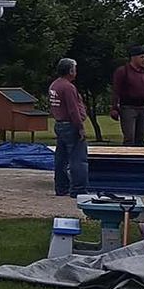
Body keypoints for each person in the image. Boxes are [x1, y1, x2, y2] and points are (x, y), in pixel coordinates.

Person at [48, 57, 90, 197]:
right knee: (78, 158)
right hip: (70, 125)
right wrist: (80, 127)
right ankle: (78, 189)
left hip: (59, 124)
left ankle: (61, 188)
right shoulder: (68, 87)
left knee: (61, 158)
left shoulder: (54, 85)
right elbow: (73, 110)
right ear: (71, 70)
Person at [111, 45, 144, 148]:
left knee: (140, 137)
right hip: (128, 107)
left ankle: (140, 159)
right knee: (129, 137)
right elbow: (116, 90)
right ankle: (127, 159)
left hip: (143, 107)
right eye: (141, 57)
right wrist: (114, 107)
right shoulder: (123, 71)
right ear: (133, 57)